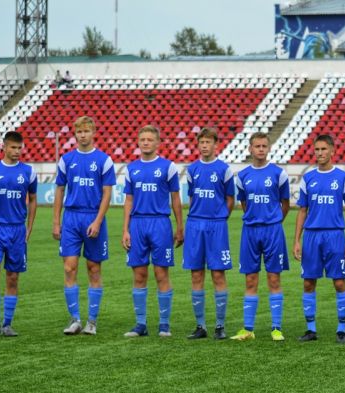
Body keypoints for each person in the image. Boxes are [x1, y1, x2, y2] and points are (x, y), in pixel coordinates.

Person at [52, 116, 115, 336]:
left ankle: (92, 321)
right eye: (79, 132)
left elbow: (107, 193)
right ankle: (75, 319)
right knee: (69, 268)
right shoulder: (66, 160)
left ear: (93, 133)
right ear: (75, 134)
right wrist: (56, 221)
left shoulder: (104, 160)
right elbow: (60, 190)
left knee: (93, 268)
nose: (83, 135)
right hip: (71, 218)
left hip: (93, 217)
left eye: (87, 131)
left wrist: (97, 221)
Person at [293, 134, 345, 343]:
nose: (319, 153)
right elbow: (302, 210)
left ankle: (341, 329)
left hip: (335, 236)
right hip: (311, 236)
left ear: (332, 151)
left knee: (339, 282)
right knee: (308, 282)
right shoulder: (308, 178)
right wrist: (297, 240)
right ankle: (311, 329)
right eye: (317, 149)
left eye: (323, 149)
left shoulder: (343, 177)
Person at [121, 125, 184, 337]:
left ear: (157, 143)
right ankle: (140, 324)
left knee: (161, 273)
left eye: (150, 139)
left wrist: (180, 227)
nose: (146, 142)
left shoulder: (168, 167)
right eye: (143, 139)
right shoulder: (131, 169)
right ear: (138, 142)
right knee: (139, 274)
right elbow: (128, 200)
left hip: (160, 224)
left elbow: (176, 199)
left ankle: (164, 324)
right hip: (137, 224)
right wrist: (125, 230)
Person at [231, 132, 290, 341]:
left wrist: (273, 220)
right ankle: (248, 329)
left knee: (274, 278)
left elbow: (285, 204)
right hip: (250, 231)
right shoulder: (242, 176)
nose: (261, 149)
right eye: (257, 146)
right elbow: (244, 203)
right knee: (250, 279)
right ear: (250, 149)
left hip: (273, 230)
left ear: (269, 148)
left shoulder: (278, 174)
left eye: (264, 146)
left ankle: (276, 328)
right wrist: (255, 218)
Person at [0, 131, 38, 337]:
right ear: (4, 147)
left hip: (17, 230)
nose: (17, 151)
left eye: (20, 147)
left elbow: (33, 199)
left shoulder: (28, 171)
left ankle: (7, 324)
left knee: (12, 278)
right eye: (13, 147)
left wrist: (29, 227)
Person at [183, 127, 235, 340]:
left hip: (216, 226)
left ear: (216, 145)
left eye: (208, 142)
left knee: (218, 274)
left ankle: (220, 326)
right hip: (195, 225)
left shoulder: (224, 169)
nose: (204, 146)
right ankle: (201, 326)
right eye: (202, 142)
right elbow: (192, 197)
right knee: (196, 274)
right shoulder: (192, 169)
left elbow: (230, 199)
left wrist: (220, 218)